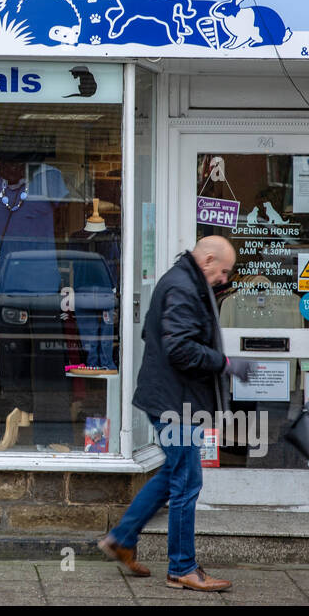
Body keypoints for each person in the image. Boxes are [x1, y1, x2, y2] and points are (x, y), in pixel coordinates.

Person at [98, 235, 253, 591]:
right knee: (187, 481)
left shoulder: (181, 281)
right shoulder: (183, 287)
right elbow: (180, 349)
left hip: (172, 399)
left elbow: (152, 334)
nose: (224, 280)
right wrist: (226, 363)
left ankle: (121, 538)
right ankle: (182, 567)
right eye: (223, 271)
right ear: (209, 260)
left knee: (172, 473)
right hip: (175, 405)